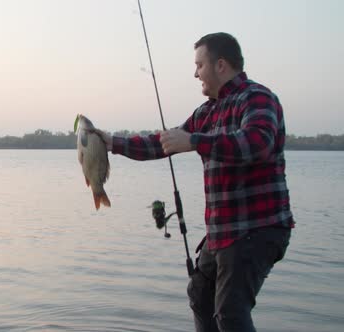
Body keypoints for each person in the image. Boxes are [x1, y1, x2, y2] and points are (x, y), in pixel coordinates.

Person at [95, 32, 294, 331]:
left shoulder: (258, 98)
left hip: (258, 229)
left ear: (221, 65)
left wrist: (195, 141)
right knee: (200, 295)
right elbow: (164, 142)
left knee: (230, 312)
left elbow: (257, 143)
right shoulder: (206, 112)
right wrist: (113, 143)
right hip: (224, 232)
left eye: (199, 65)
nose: (195, 73)